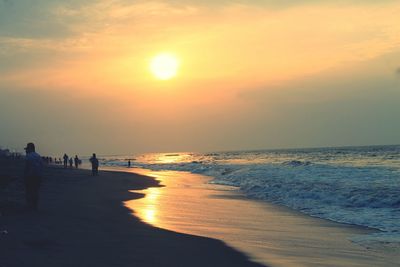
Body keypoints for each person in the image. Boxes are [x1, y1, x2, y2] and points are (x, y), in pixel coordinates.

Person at [24, 142, 43, 211]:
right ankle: (35, 206)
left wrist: (25, 175)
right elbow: (41, 166)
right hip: (38, 176)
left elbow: (26, 167)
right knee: (35, 191)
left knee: (29, 191)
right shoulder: (38, 156)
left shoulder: (28, 156)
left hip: (30, 176)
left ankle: (29, 206)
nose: (26, 151)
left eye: (27, 149)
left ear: (30, 149)